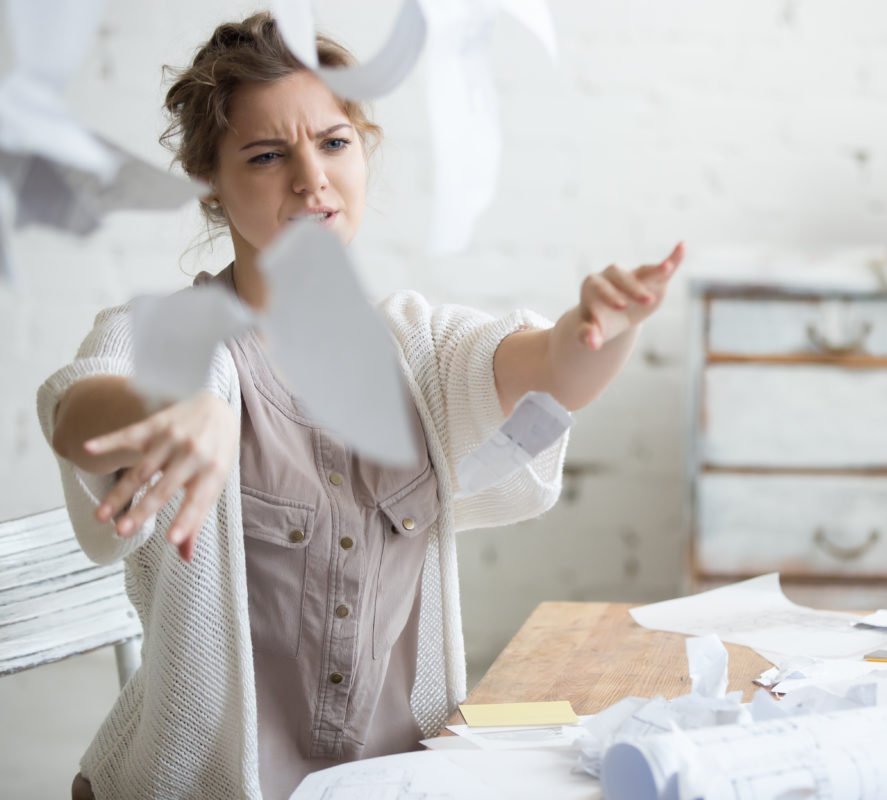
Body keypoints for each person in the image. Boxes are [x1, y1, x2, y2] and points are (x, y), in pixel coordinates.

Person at [39, 12, 683, 800]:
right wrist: (172, 411)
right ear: (211, 183)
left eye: (334, 143)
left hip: (393, 781)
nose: (312, 180)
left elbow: (547, 371)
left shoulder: (417, 350)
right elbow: (77, 410)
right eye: (269, 156)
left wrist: (599, 333)